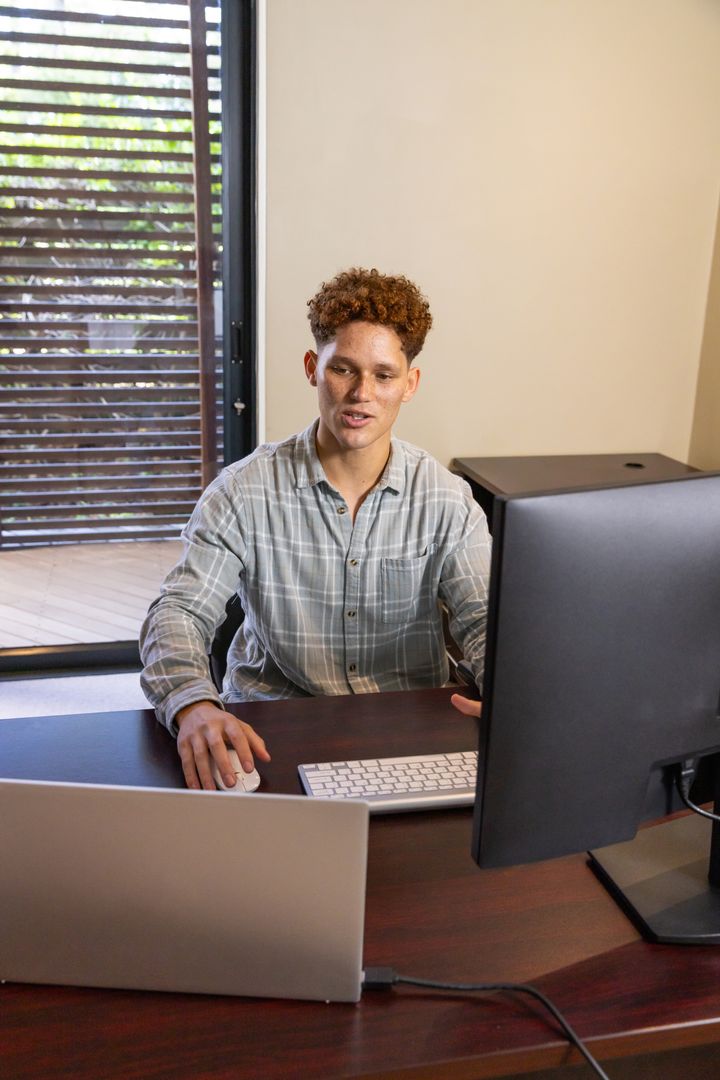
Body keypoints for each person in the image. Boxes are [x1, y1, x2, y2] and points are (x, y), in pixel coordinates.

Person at [140, 267, 489, 790]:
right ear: (312, 368)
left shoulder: (446, 499)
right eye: (343, 370)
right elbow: (179, 611)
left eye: (384, 375)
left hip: (410, 732)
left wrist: (515, 696)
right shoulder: (243, 491)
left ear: (410, 384)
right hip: (272, 730)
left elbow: (484, 620)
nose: (361, 395)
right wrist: (193, 703)